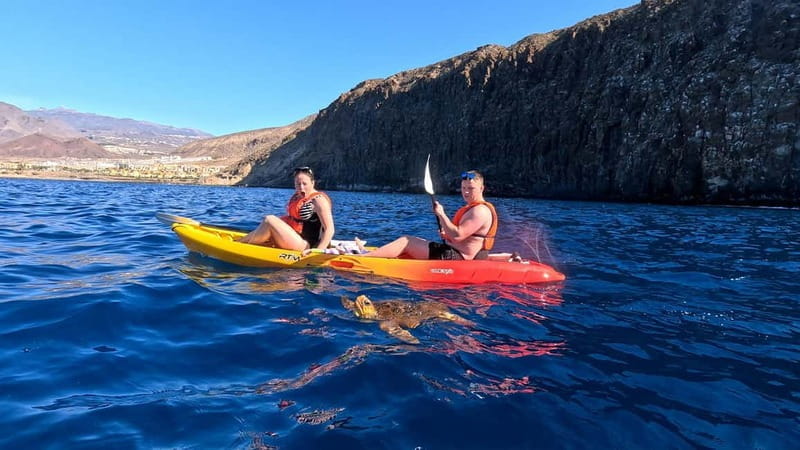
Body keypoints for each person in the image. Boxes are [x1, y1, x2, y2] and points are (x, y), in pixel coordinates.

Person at [362, 170, 497, 260]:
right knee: (411, 243)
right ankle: (373, 254)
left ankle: (364, 259)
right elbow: (459, 236)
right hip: (456, 252)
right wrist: (446, 233)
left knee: (406, 241)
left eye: (471, 188)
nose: (466, 192)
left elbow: (458, 235)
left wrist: (441, 214)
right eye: (464, 188)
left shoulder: (479, 211)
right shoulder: (474, 208)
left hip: (456, 256)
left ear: (481, 188)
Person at [238, 166, 334, 251]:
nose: (301, 187)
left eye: (305, 184)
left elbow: (329, 229)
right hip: (295, 237)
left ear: (312, 183)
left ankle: (243, 249)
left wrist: (318, 251)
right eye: (298, 184)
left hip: (306, 245)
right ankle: (239, 242)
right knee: (265, 225)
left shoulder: (319, 200)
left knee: (269, 219)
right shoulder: (298, 197)